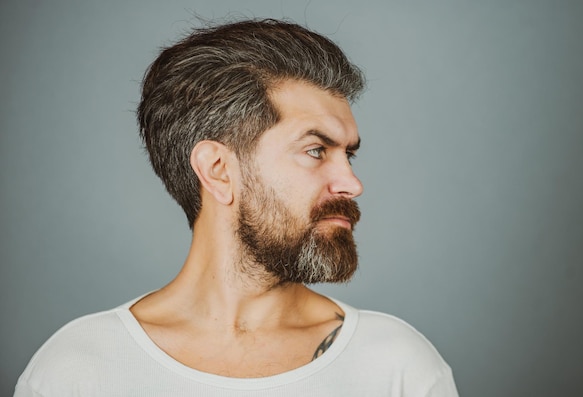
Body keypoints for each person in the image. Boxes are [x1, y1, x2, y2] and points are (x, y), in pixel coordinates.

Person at [14, 19, 459, 396]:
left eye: (350, 155)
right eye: (316, 150)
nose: (352, 184)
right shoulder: (77, 370)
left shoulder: (396, 367)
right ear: (219, 170)